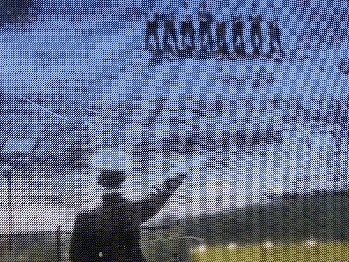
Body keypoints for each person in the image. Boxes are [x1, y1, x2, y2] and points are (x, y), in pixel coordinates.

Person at [69, 168, 187, 261]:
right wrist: (169, 187)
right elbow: (154, 202)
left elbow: (78, 256)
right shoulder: (134, 211)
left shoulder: (86, 219)